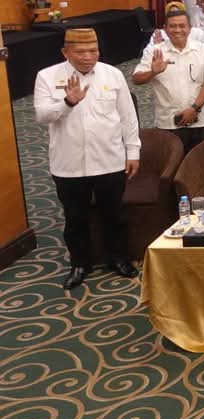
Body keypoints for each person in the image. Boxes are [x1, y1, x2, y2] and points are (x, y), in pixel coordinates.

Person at [34, 28, 141, 289]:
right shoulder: (47, 76)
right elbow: (42, 116)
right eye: (80, 52)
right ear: (65, 52)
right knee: (75, 219)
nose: (88, 57)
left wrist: (133, 152)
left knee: (114, 215)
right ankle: (80, 264)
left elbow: (128, 117)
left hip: (109, 159)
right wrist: (67, 103)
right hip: (68, 164)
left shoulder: (112, 74)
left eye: (93, 51)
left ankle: (118, 258)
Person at [132, 8, 204, 153]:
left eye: (182, 26)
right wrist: (153, 72)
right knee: (172, 161)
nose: (177, 30)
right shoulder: (154, 51)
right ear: (165, 28)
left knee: (203, 161)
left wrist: (194, 109)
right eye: (172, 26)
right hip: (168, 122)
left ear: (190, 28)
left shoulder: (203, 50)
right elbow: (136, 79)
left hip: (202, 120)